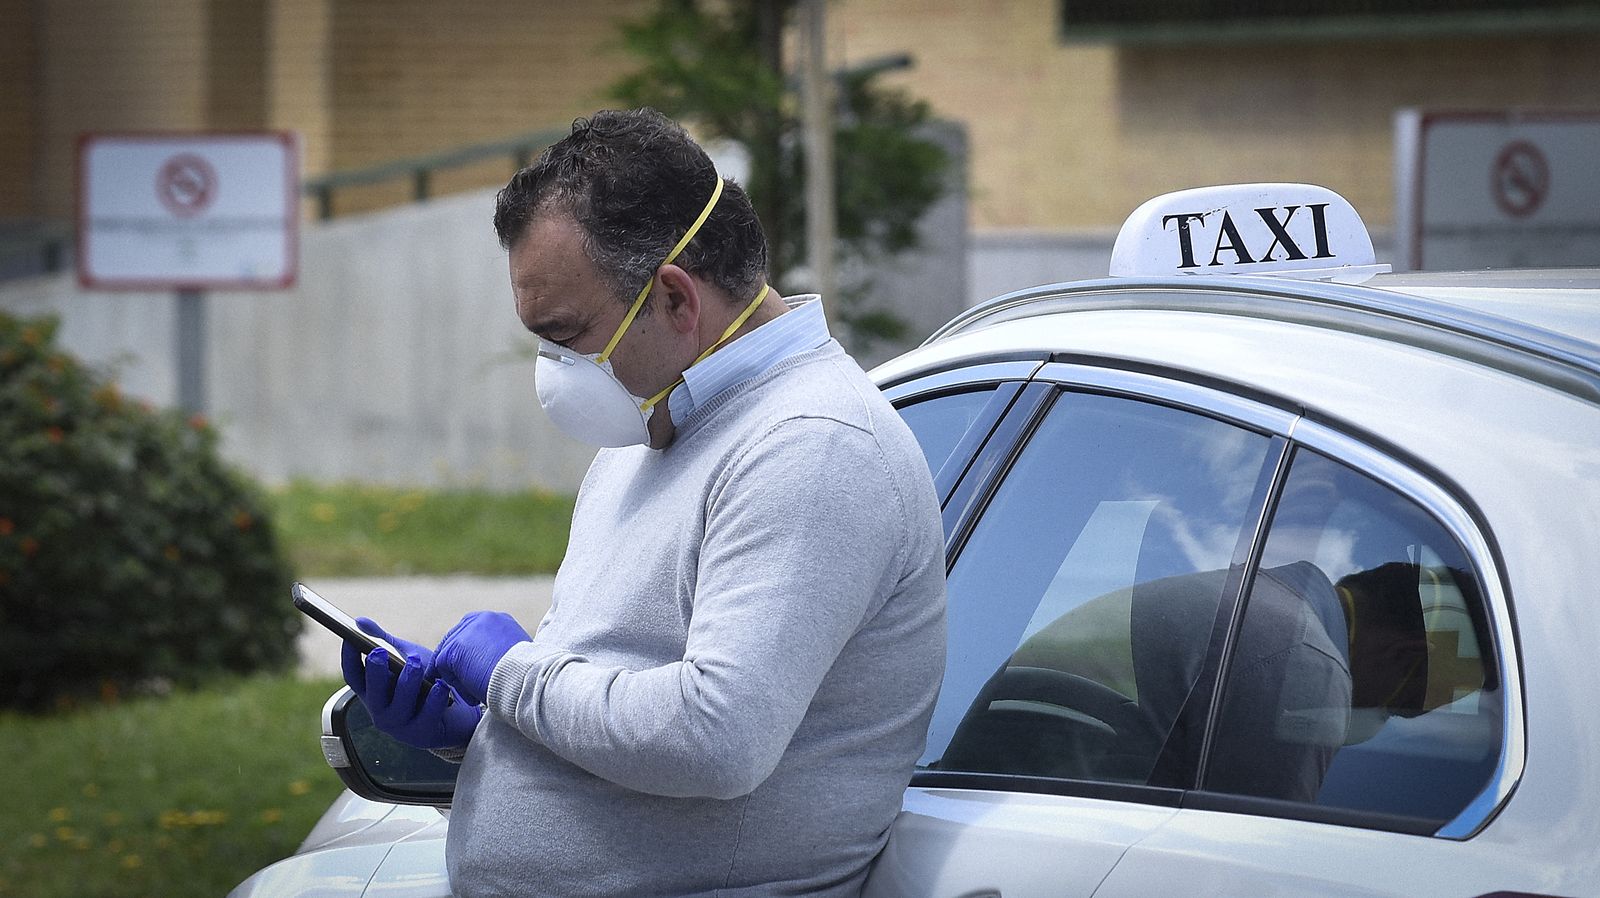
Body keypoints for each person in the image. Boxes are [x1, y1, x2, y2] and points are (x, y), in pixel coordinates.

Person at [340, 108, 948, 898]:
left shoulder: (813, 445)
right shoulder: (650, 429)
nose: (556, 369)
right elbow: (612, 695)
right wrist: (475, 733)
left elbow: (714, 737)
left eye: (567, 334)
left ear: (674, 299)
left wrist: (510, 676)